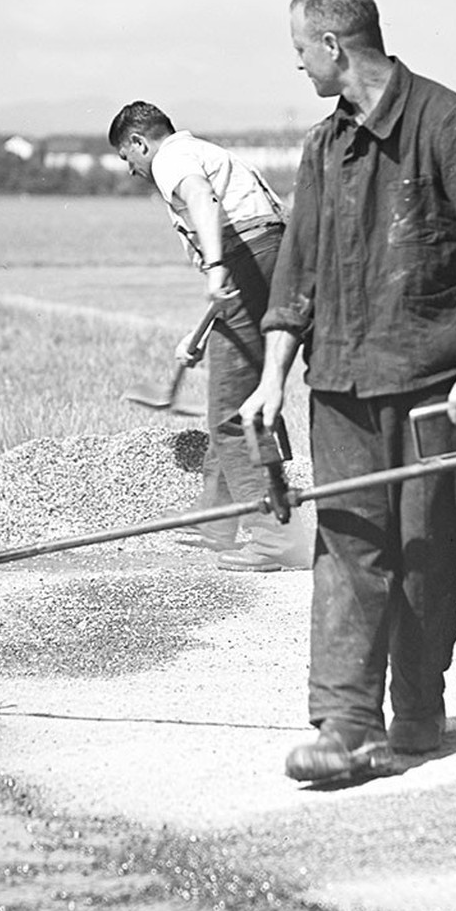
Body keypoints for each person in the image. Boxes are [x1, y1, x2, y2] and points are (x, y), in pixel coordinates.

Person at [240, 0, 456, 782]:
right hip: (340, 388)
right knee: (347, 548)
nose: (298, 65)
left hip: (437, 392)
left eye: (301, 50)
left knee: (425, 553)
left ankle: (416, 710)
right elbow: (294, 280)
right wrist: (272, 380)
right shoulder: (323, 148)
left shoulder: (448, 125)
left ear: (335, 46)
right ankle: (345, 725)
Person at [108, 101, 309, 572]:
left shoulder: (171, 159)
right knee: (236, 400)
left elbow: (201, 200)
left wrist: (216, 267)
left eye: (126, 157)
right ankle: (217, 520)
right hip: (268, 254)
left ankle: (276, 537)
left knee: (231, 415)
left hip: (244, 255)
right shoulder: (208, 151)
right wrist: (206, 329)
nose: (133, 170)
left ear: (139, 142)